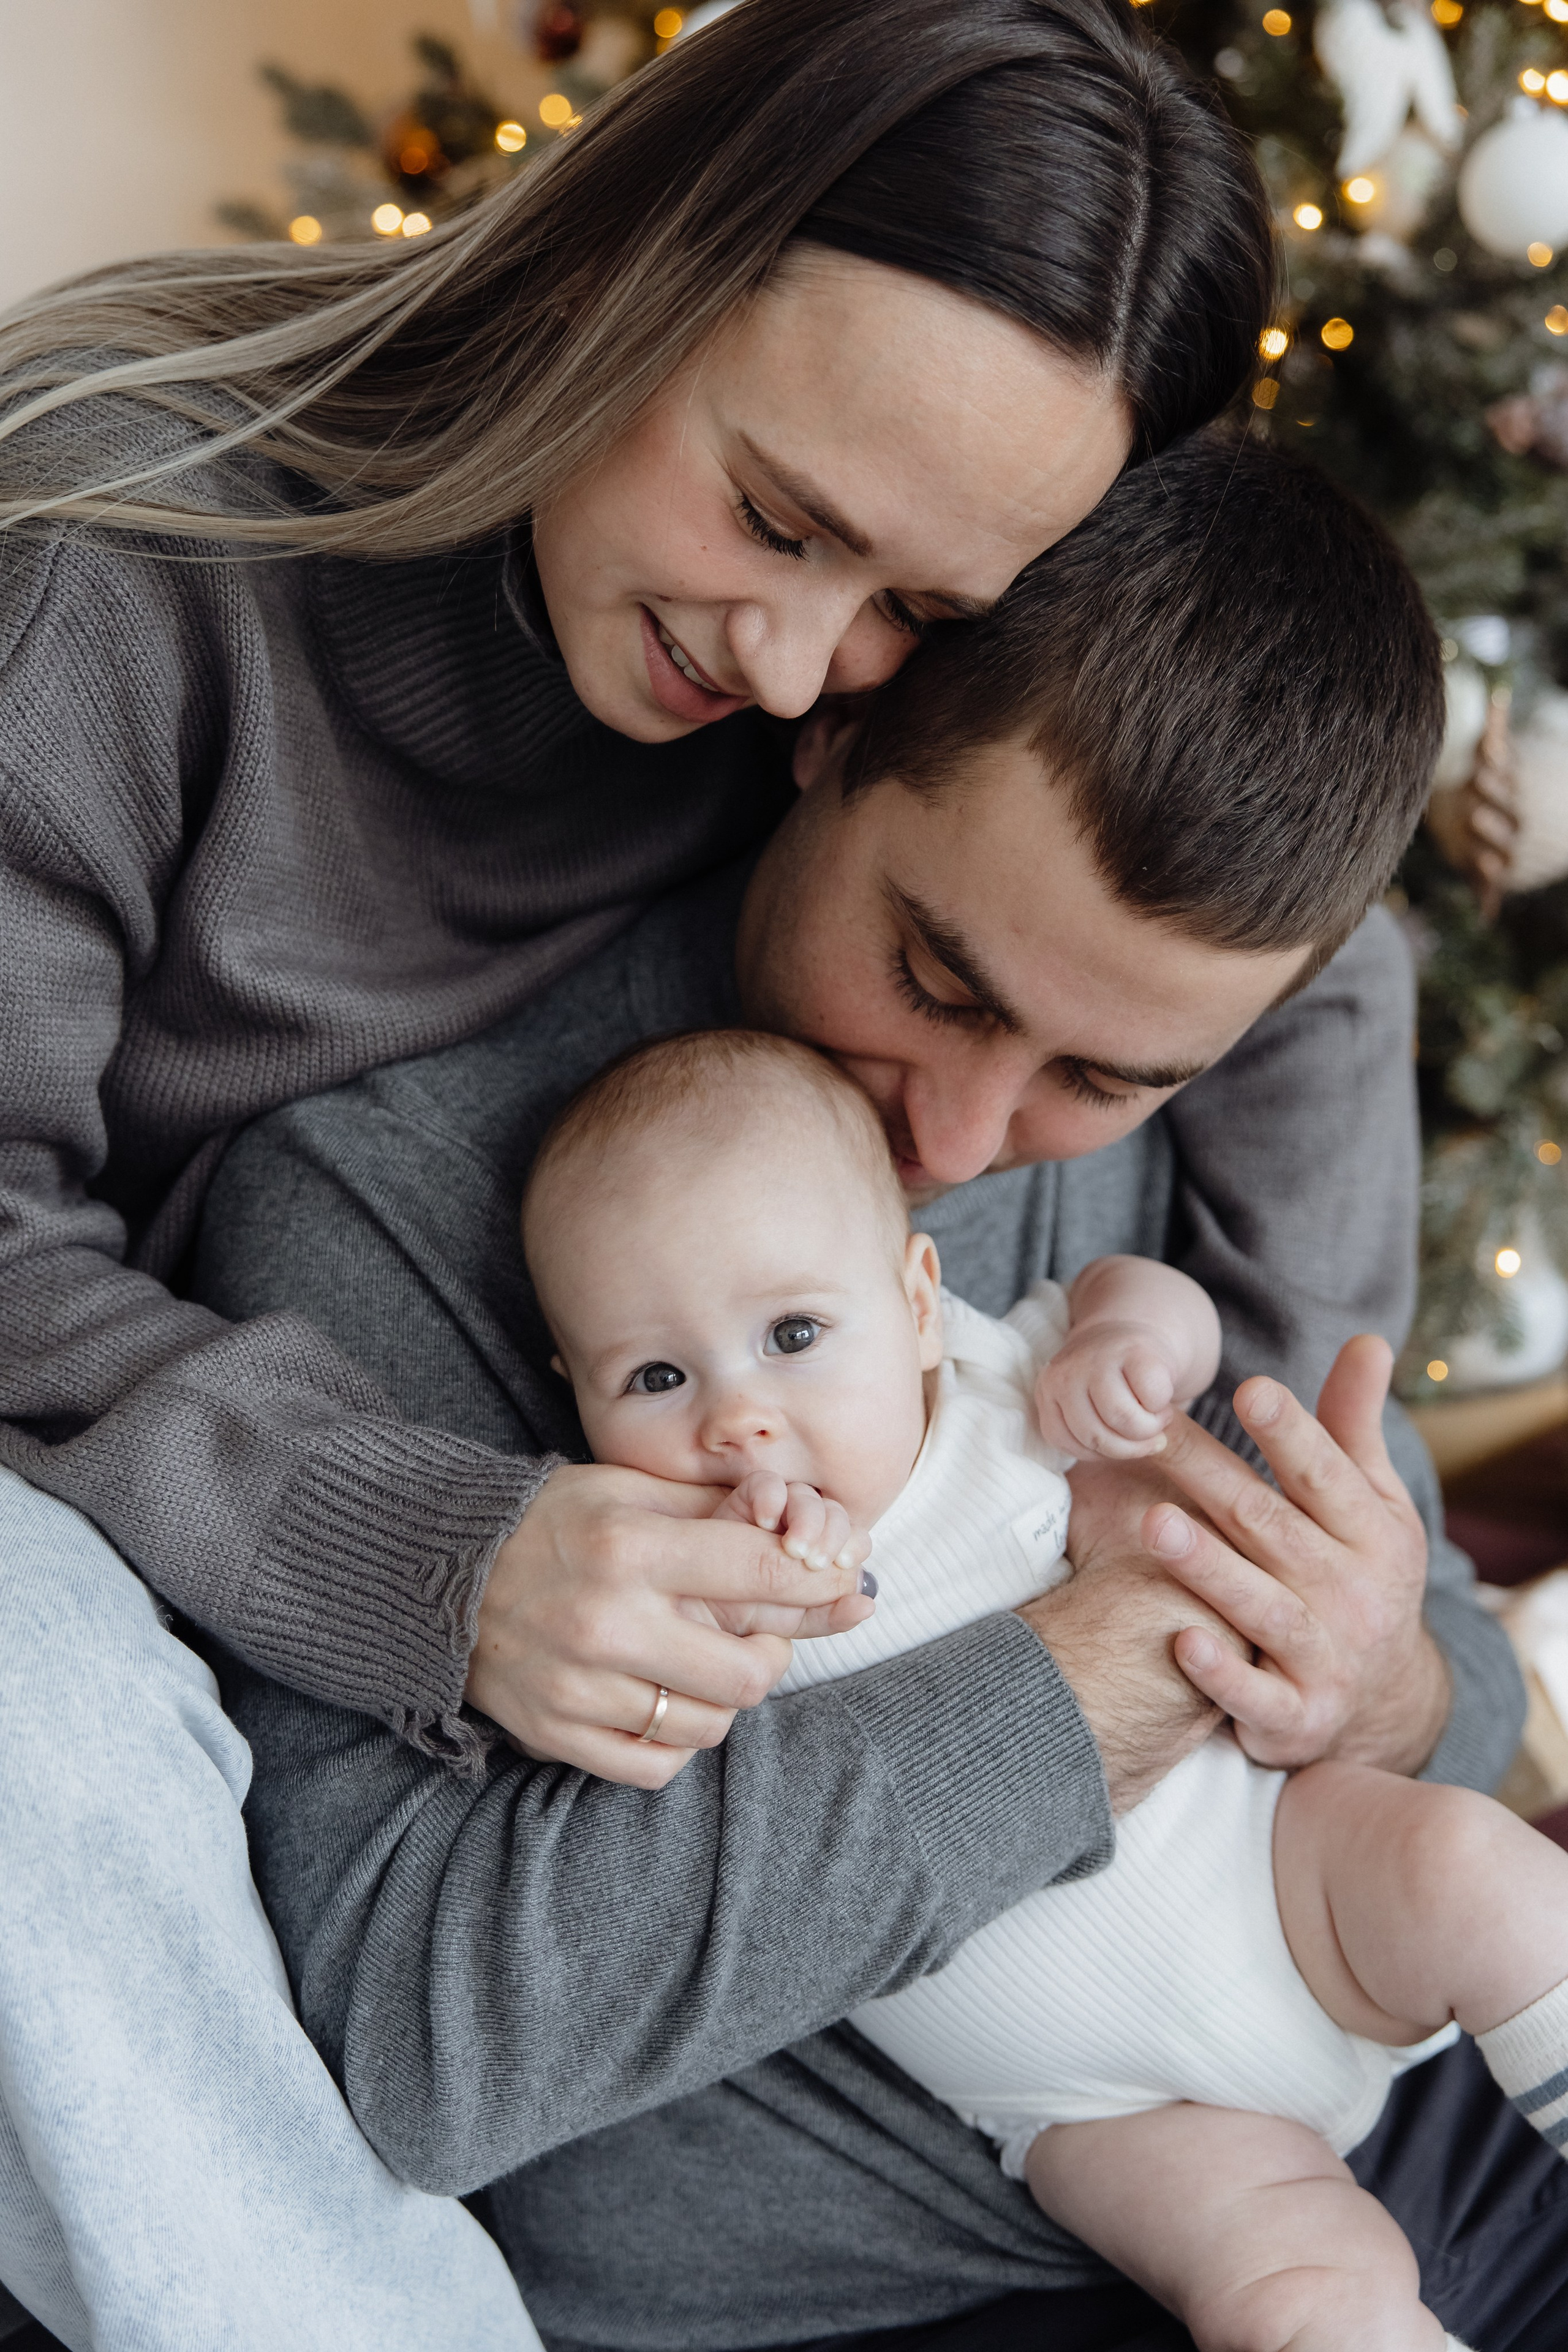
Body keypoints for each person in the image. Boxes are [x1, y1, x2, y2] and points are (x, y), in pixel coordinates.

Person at [0, 2, 1278, 2340]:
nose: (801, 665)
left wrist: (1280, 1457)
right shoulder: (105, 560)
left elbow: (1308, 931)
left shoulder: (810, 723)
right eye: (781, 521)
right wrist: (419, 1544)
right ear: (625, 258)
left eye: (915, 613)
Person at [197, 441, 1559, 2349]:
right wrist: (1116, 1666)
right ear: (841, 730)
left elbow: (1466, 1698)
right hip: (943, 2285)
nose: (965, 1135)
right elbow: (423, 2040)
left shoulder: (1200, 1082)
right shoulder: (396, 1203)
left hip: (1424, 2111)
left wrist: (1377, 1676)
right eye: (932, 972)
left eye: (1108, 1081)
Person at [521, 1022, 1568, 2352]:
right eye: (655, 1378)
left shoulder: (996, 1383)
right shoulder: (648, 1574)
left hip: (1282, 1886)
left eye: (791, 1332)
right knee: (1288, 2295)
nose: (737, 1418)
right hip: (1092, 2111)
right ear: (575, 1391)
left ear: (912, 1301)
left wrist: (1127, 1341)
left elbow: (1161, 1299)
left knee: (1469, 1875)